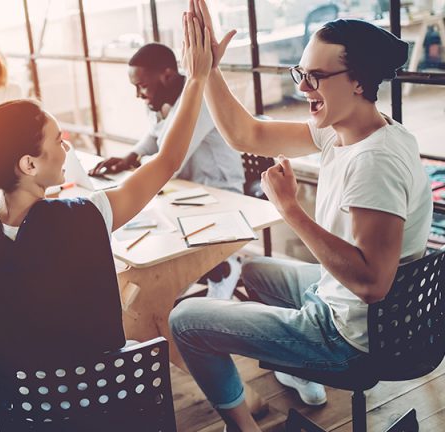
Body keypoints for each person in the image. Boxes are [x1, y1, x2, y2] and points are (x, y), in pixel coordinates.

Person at [169, 1, 432, 431]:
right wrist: (210, 70)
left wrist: (289, 209)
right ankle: (294, 363)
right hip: (372, 312)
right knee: (254, 272)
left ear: (359, 82)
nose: (304, 87)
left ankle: (246, 424)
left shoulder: (373, 163)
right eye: (301, 73)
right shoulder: (351, 129)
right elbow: (246, 134)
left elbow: (371, 282)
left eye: (317, 77)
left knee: (185, 320)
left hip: (350, 335)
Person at [0, 11, 213, 376]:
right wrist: (196, 79)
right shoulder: (86, 214)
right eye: (57, 139)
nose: (66, 146)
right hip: (106, 402)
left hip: (29, 417)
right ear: (29, 165)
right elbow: (167, 161)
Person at [91, 42, 246, 298]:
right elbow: (154, 136)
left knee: (149, 229)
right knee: (144, 229)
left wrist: (139, 167)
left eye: (142, 86)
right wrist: (129, 156)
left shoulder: (200, 101)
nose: (139, 95)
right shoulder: (160, 98)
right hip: (186, 191)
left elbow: (170, 162)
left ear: (167, 75)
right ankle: (179, 284)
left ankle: (221, 267)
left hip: (218, 193)